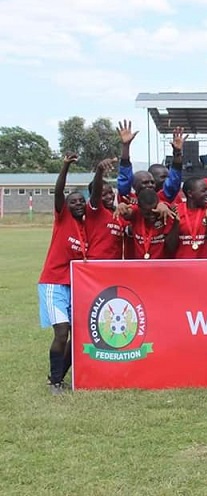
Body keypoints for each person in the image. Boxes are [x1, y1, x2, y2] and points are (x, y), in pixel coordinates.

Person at [38, 153, 87, 394]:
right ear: (66, 206)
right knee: (62, 331)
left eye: (81, 201)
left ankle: (60, 378)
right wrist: (65, 167)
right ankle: (54, 382)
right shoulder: (62, 218)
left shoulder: (86, 228)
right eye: (73, 201)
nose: (78, 204)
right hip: (53, 283)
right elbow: (59, 192)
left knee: (77, 334)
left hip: (74, 287)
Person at [117, 121, 183, 204]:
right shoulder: (128, 200)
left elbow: (173, 182)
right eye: (145, 182)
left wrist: (177, 152)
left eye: (152, 182)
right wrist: (126, 146)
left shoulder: (160, 199)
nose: (150, 185)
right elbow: (124, 179)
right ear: (134, 185)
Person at [166, 177, 207, 259]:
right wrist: (176, 224)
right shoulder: (176, 211)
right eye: (203, 191)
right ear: (190, 194)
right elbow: (170, 247)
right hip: (181, 265)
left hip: (204, 265)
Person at [120, 188, 177, 259]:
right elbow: (126, 211)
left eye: (154, 212)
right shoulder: (136, 213)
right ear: (139, 208)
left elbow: (167, 206)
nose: (152, 216)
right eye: (147, 214)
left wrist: (164, 205)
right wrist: (121, 206)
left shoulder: (164, 214)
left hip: (161, 265)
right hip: (141, 265)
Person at [86, 157, 124, 260]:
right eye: (104, 195)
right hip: (95, 263)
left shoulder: (118, 213)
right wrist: (99, 170)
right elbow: (96, 193)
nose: (109, 197)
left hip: (114, 265)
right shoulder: (96, 211)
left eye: (111, 193)